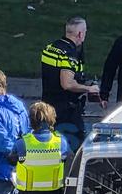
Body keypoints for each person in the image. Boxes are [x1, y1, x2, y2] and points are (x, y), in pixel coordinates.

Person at [40, 17, 99, 152]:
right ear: (80, 34)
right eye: (85, 31)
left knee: (50, 147)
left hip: (47, 107)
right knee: (79, 149)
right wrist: (89, 88)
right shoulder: (69, 54)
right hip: (66, 112)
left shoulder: (50, 48)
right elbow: (67, 84)